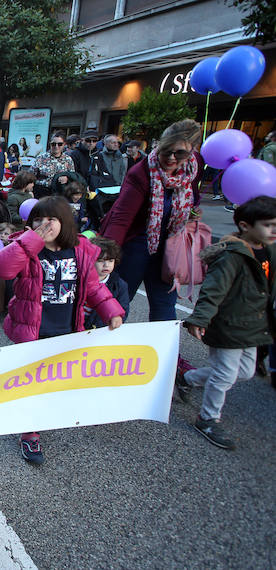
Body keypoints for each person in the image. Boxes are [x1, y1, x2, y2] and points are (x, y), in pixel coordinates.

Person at [0, 196, 124, 464]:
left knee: (50, 381)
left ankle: (43, 415)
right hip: (31, 330)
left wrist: (112, 310)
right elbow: (1, 268)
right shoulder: (26, 249)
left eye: (50, 219)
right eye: (38, 219)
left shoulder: (82, 251)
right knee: (29, 382)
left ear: (65, 222)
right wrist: (31, 240)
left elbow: (94, 286)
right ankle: (29, 433)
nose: (44, 225)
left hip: (65, 329)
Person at [174, 196, 276, 449]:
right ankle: (207, 418)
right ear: (245, 225)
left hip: (252, 325)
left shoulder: (269, 250)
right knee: (225, 373)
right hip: (228, 324)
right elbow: (213, 291)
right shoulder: (231, 256)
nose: (273, 231)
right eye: (268, 225)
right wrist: (200, 318)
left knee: (244, 373)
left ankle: (188, 379)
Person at [101, 119, 204, 322]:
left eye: (180, 153)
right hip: (137, 243)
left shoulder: (194, 165)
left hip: (170, 245)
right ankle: (103, 348)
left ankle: (165, 352)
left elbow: (194, 195)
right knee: (118, 301)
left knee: (165, 303)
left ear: (192, 151)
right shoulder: (141, 172)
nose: (171, 158)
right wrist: (106, 253)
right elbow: (121, 219)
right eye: (166, 151)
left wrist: (192, 211)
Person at [85, 237, 130, 328]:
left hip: (101, 328)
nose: (107, 265)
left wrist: (116, 321)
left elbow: (123, 309)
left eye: (111, 260)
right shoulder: (81, 279)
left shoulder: (119, 285)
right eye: (101, 261)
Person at [33, 132, 76, 197]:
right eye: (53, 144)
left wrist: (67, 179)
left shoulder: (68, 159)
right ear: (50, 144)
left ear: (64, 144)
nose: (56, 146)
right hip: (42, 193)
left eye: (60, 144)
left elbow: (72, 176)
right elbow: (31, 176)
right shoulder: (40, 158)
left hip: (60, 193)